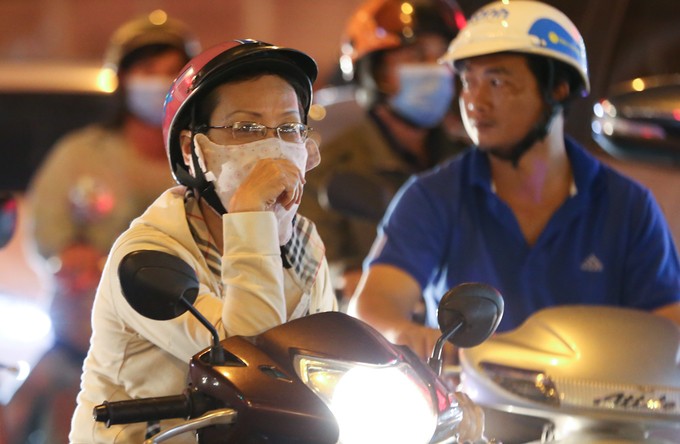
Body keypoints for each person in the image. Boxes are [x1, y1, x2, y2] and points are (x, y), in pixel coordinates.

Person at [349, 0, 680, 363]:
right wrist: (406, 335)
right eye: (468, 81)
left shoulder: (627, 206)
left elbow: (670, 328)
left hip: (592, 396)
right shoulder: (432, 196)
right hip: (466, 394)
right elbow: (374, 304)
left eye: (497, 82)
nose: (475, 101)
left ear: (558, 88)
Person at [68, 39, 337, 442]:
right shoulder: (148, 255)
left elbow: (329, 357)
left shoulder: (303, 240)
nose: (273, 147)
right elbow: (250, 365)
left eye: (288, 128)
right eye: (246, 128)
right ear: (191, 149)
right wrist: (250, 216)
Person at [10, 13, 199, 444]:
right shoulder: (80, 155)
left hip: (183, 360)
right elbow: (50, 241)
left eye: (171, 71)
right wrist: (73, 257)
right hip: (85, 353)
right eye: (147, 69)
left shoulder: (201, 160)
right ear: (123, 78)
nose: (159, 81)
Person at [299, 0, 470, 305]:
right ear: (373, 71)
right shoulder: (326, 170)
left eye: (443, 57)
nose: (435, 69)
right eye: (417, 56)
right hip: (376, 328)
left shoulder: (471, 161)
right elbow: (322, 272)